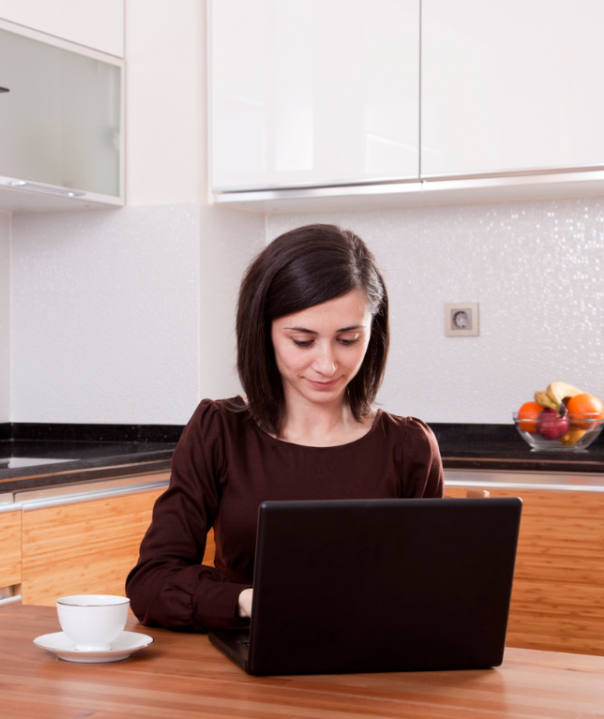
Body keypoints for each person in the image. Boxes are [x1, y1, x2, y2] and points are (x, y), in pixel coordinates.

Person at [125, 224, 444, 632]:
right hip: (245, 654)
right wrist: (248, 601)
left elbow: (430, 591)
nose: (327, 365)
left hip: (372, 660)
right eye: (303, 341)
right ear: (264, 333)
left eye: (348, 339)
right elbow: (151, 582)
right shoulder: (219, 431)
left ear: (373, 333)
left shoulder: (410, 447)